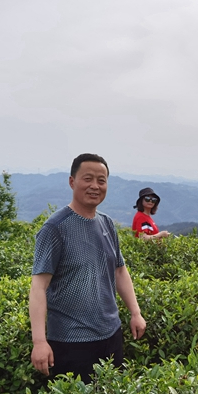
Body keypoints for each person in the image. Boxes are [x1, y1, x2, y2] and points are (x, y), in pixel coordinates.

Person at [29, 153, 146, 382]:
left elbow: (119, 270)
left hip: (111, 335)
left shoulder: (107, 223)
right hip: (70, 341)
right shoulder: (55, 228)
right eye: (88, 179)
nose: (95, 186)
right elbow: (38, 286)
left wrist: (136, 313)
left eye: (101, 180)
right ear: (72, 182)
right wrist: (39, 342)